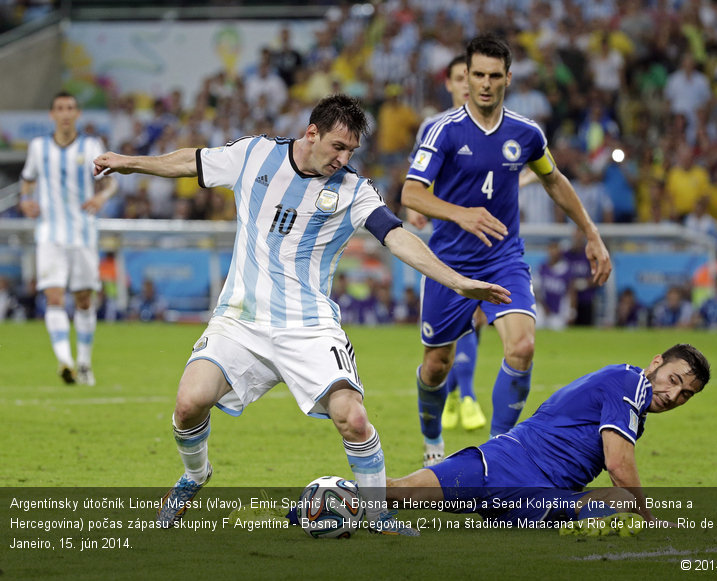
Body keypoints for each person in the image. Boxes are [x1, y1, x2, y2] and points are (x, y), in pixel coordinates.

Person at [93, 94, 511, 536]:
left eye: (351, 151)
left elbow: (396, 237)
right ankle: (195, 475)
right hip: (241, 321)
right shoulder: (253, 155)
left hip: (309, 327)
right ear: (311, 133)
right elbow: (188, 161)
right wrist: (128, 162)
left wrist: (457, 281)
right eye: (337, 147)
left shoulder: (353, 190)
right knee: (188, 404)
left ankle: (378, 515)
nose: (343, 158)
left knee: (353, 417)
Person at [401, 35, 611, 467]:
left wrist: (591, 232)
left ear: (508, 79)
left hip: (503, 259)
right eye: (477, 74)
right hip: (448, 263)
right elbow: (411, 193)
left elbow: (553, 180)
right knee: (437, 365)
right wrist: (461, 214)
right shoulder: (444, 130)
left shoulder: (526, 132)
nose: (484, 83)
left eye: (494, 76)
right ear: (467, 77)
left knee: (522, 347)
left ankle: (497, 456)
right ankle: (432, 442)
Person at [387, 344, 711, 529]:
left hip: (541, 495)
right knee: (399, 492)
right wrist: (648, 518)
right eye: (673, 379)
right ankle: (338, 495)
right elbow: (618, 465)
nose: (673, 394)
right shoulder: (630, 383)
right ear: (656, 362)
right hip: (503, 465)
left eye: (686, 394)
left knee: (619, 502)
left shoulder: (635, 408)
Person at [407, 54, 488, 434]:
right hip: (446, 238)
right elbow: (417, 180)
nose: (466, 85)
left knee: (475, 315)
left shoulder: (497, 127)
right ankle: (458, 394)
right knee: (453, 326)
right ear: (452, 83)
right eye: (460, 78)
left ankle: (465, 394)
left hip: (488, 237)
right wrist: (416, 212)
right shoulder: (434, 126)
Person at [19, 91, 118, 386]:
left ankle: (85, 362)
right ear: (52, 114)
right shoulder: (38, 148)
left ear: (77, 114)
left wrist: (102, 198)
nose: (65, 113)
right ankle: (65, 361)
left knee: (85, 300)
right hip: (49, 234)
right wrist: (25, 201)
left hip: (83, 233)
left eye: (70, 108)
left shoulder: (91, 146)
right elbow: (27, 180)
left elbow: (110, 183)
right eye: (60, 108)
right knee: (54, 296)